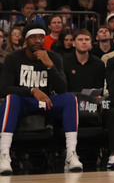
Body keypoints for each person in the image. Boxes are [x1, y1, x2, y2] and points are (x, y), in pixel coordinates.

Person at [0, 27, 83, 174]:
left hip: (47, 102)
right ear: (25, 40)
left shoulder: (54, 58)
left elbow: (62, 89)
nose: (38, 40)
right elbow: (4, 89)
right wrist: (32, 90)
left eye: (41, 37)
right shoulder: (13, 58)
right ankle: (4, 156)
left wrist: (50, 66)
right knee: (11, 99)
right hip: (24, 102)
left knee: (70, 99)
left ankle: (71, 154)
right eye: (33, 37)